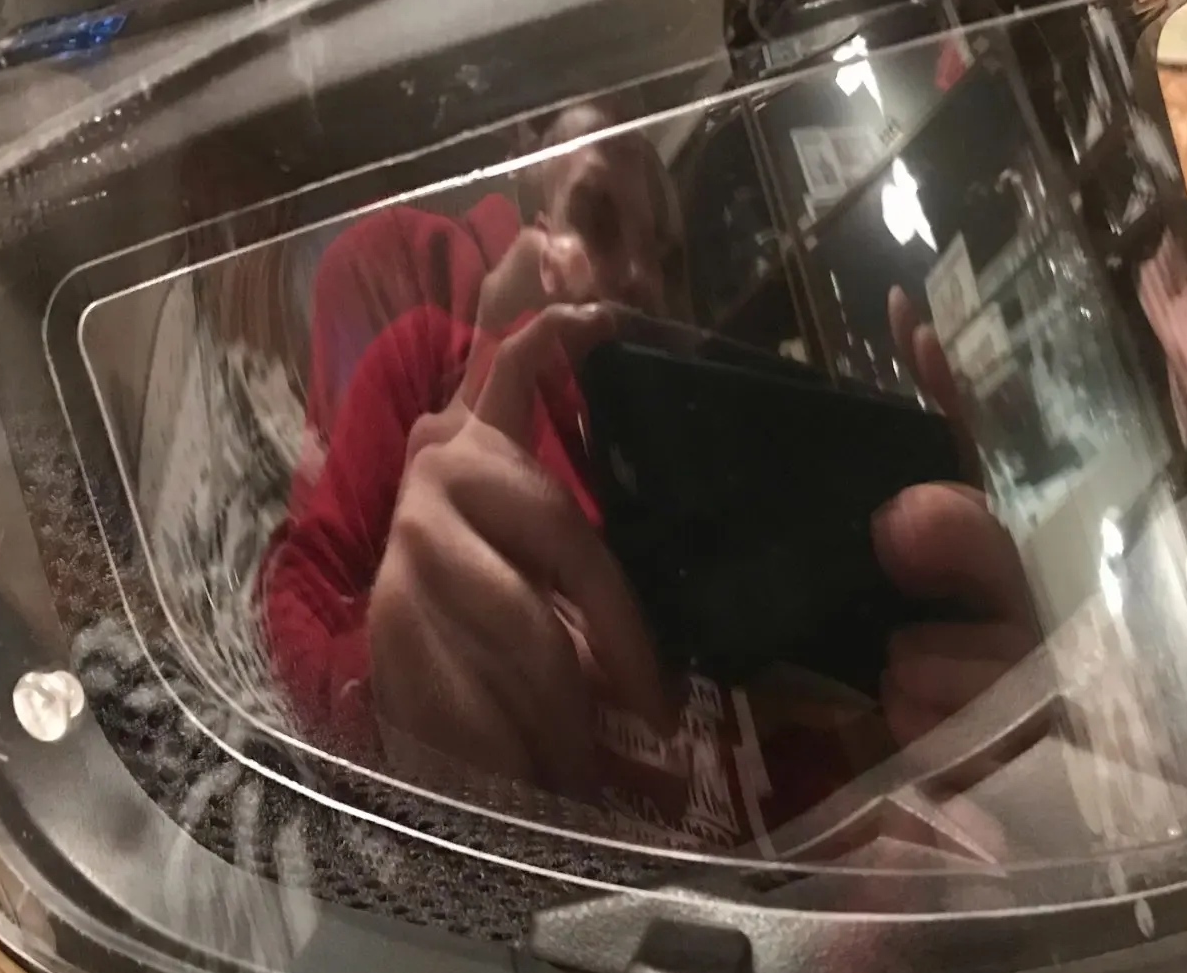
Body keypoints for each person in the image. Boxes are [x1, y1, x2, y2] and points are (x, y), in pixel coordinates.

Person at [261, 102, 1038, 805]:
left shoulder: (714, 464)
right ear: (535, 232)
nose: (640, 276)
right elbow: (293, 604)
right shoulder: (423, 359)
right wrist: (400, 702)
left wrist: (982, 761)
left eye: (665, 255)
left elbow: (794, 760)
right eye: (596, 220)